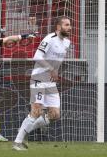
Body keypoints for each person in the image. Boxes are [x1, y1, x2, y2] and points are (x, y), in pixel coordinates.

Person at [13, 16, 72, 150]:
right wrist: (51, 69)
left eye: (70, 25)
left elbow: (57, 61)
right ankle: (17, 142)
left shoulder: (67, 43)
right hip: (39, 78)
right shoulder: (49, 39)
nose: (70, 27)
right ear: (58, 27)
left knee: (55, 114)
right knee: (37, 111)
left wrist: (55, 72)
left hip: (50, 82)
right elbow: (37, 56)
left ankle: (24, 130)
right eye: (66, 25)